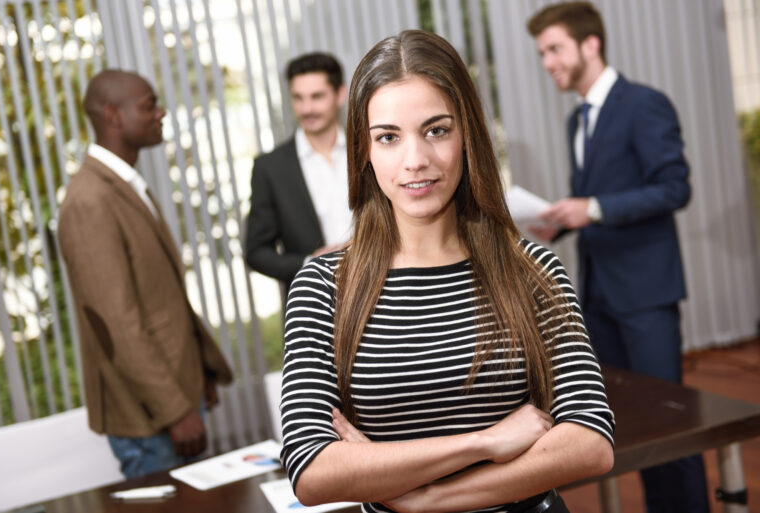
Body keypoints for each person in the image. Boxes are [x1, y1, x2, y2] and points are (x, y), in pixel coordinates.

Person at [280, 30, 614, 513]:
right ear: (365, 151)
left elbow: (589, 440)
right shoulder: (323, 286)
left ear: (468, 135)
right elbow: (311, 472)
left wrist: (425, 499)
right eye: (389, 137)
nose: (416, 161)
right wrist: (483, 442)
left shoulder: (532, 268)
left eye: (436, 130)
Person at [526, 3, 709, 512]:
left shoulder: (644, 104)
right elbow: (598, 205)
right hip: (599, 297)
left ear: (591, 44)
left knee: (676, 423)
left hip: (646, 293)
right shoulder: (576, 121)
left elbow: (675, 188)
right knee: (631, 424)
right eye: (542, 53)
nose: (547, 62)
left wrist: (597, 207)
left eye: (554, 49)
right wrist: (560, 223)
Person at [58, 70, 233, 479]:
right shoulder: (89, 200)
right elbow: (116, 324)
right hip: (152, 419)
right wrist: (175, 411)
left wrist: (199, 372)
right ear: (113, 116)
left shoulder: (125, 183)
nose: (161, 113)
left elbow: (160, 296)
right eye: (149, 104)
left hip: (177, 395)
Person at [243, 52, 352, 298]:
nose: (307, 109)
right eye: (298, 98)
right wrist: (309, 263)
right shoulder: (270, 168)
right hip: (315, 304)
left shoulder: (369, 151)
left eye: (317, 97)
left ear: (340, 94)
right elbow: (256, 252)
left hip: (385, 292)